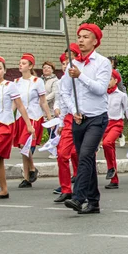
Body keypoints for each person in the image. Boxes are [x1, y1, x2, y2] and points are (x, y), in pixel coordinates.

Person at [61, 24, 112, 214]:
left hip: (97, 118)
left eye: (85, 37)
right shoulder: (74, 64)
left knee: (85, 156)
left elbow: (100, 89)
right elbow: (65, 91)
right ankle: (94, 201)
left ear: (95, 41)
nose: (80, 40)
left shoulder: (103, 63)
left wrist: (80, 76)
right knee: (86, 159)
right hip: (79, 118)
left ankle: (78, 197)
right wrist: (74, 110)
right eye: (79, 37)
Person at [0, 56, 35, 199]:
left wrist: (29, 125)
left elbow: (19, 105)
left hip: (5, 124)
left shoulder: (10, 85)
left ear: (4, 71)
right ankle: (4, 190)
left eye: (0, 68)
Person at [13, 53, 52, 188]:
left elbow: (43, 101)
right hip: (20, 117)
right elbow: (15, 102)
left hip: (34, 116)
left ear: (30, 66)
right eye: (20, 62)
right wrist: (9, 116)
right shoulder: (16, 82)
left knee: (26, 145)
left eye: (24, 63)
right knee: (23, 147)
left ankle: (32, 168)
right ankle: (27, 177)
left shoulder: (37, 81)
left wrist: (50, 119)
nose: (20, 65)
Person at [53, 48, 80, 203]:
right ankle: (65, 189)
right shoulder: (62, 80)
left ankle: (80, 184)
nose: (66, 65)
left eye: (69, 60)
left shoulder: (83, 75)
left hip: (83, 117)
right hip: (69, 119)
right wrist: (61, 121)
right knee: (62, 154)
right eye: (63, 62)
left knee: (78, 154)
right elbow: (61, 100)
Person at [104, 70, 128, 189]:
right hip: (104, 124)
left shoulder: (121, 95)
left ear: (116, 81)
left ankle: (111, 168)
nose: (107, 81)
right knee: (109, 150)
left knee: (107, 143)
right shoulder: (102, 93)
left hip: (116, 123)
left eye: (110, 79)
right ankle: (114, 179)